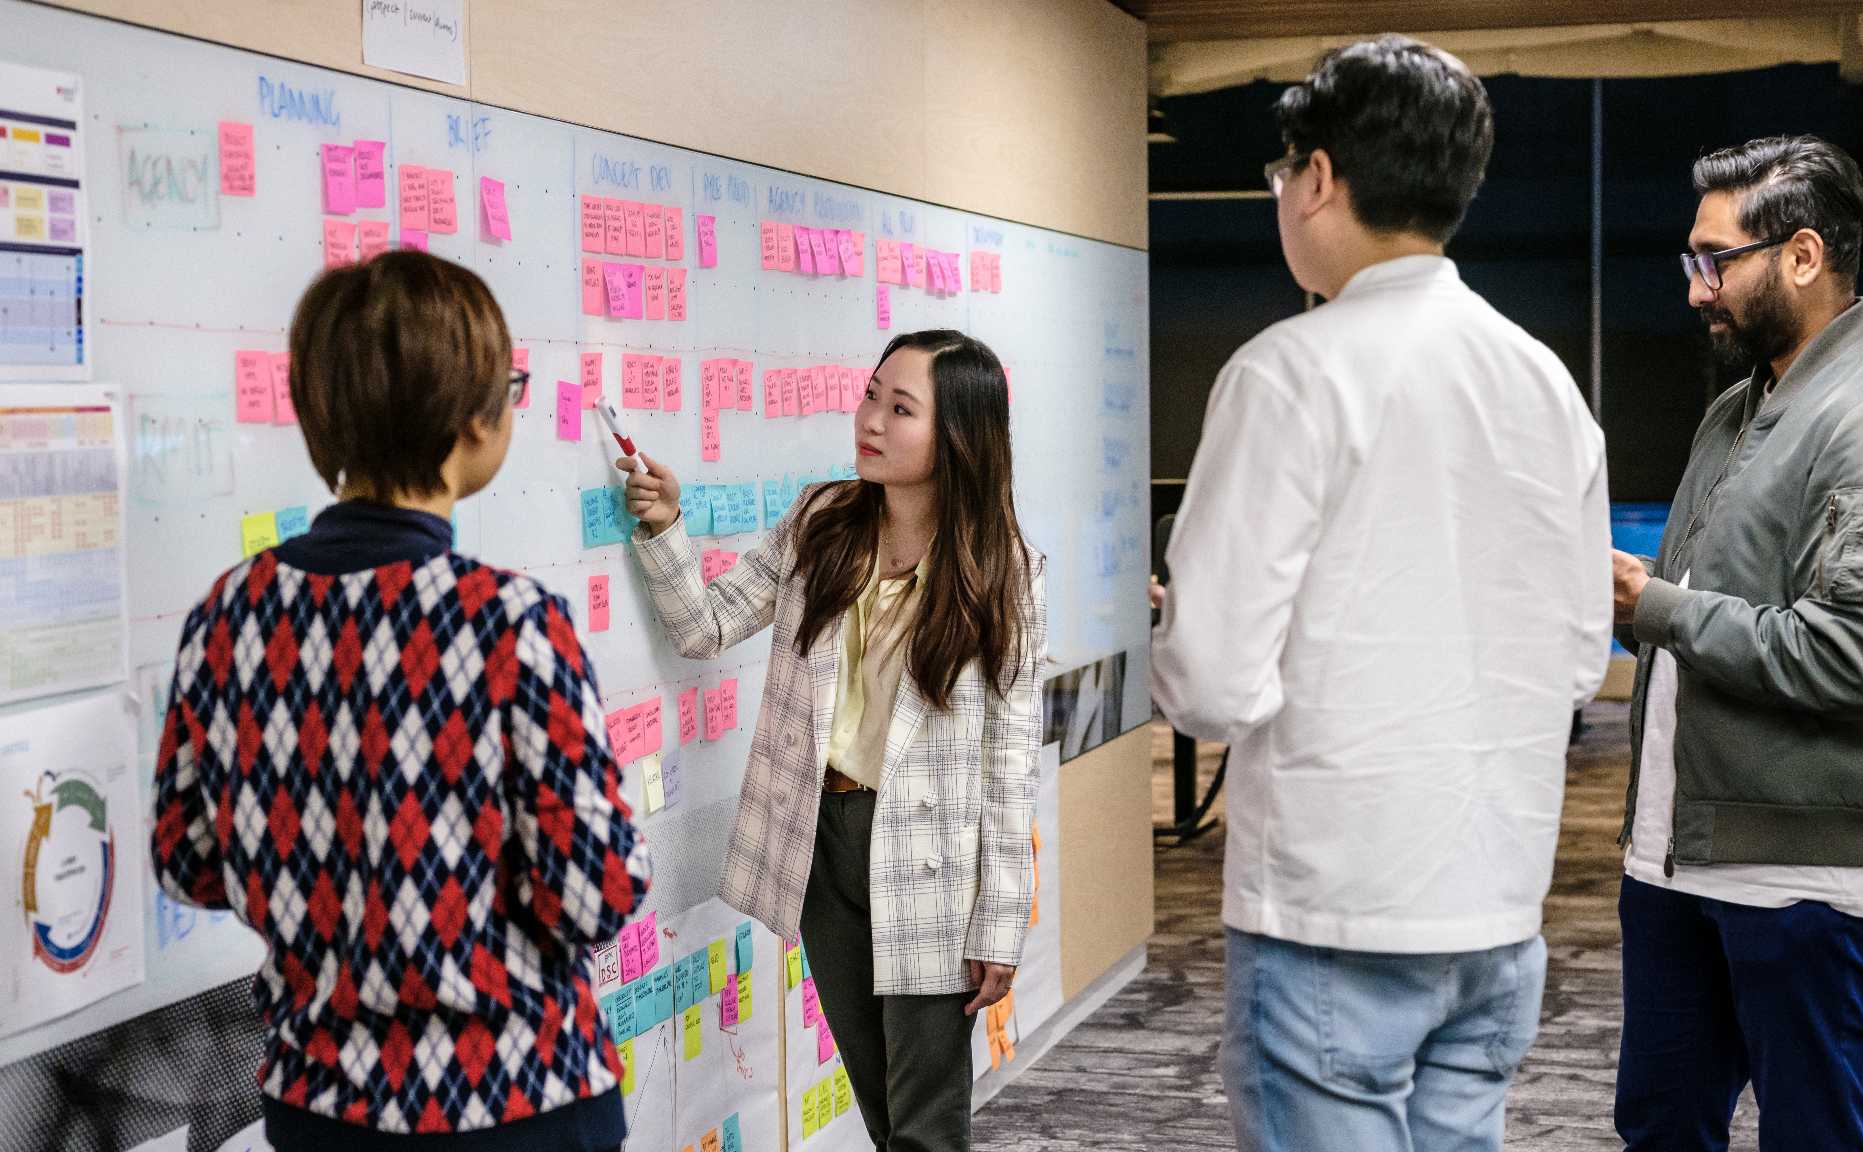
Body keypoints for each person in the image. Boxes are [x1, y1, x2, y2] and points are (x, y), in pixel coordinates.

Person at [1151, 35, 1613, 1152]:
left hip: (1333, 909)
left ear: (1317, 178)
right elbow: (1578, 659)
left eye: (1282, 176)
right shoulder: (1543, 380)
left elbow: (1210, 684)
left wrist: (1183, 629)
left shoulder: (1288, 370)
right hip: (1498, 902)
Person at [150, 250, 651, 1152]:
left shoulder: (228, 615)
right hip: (514, 1103)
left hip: (318, 1104)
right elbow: (596, 891)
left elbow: (187, 858)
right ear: (472, 420)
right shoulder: (508, 624)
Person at [618, 329, 1045, 1152]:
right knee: (884, 1112)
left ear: (958, 435)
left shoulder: (1004, 571)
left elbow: (1009, 764)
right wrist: (667, 526)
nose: (871, 419)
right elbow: (705, 627)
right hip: (821, 844)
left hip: (932, 862)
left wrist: (999, 925)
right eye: (871, 394)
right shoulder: (823, 522)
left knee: (925, 1123)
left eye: (901, 408)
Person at [1610, 135, 1863, 1151]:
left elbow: (1857, 658)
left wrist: (1657, 608)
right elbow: (1712, 610)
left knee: (1812, 1134)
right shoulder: (1740, 409)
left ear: (1802, 255)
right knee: (1660, 1125)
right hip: (1681, 855)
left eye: (1716, 260)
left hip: (1801, 875)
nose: (1696, 289)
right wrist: (1631, 601)